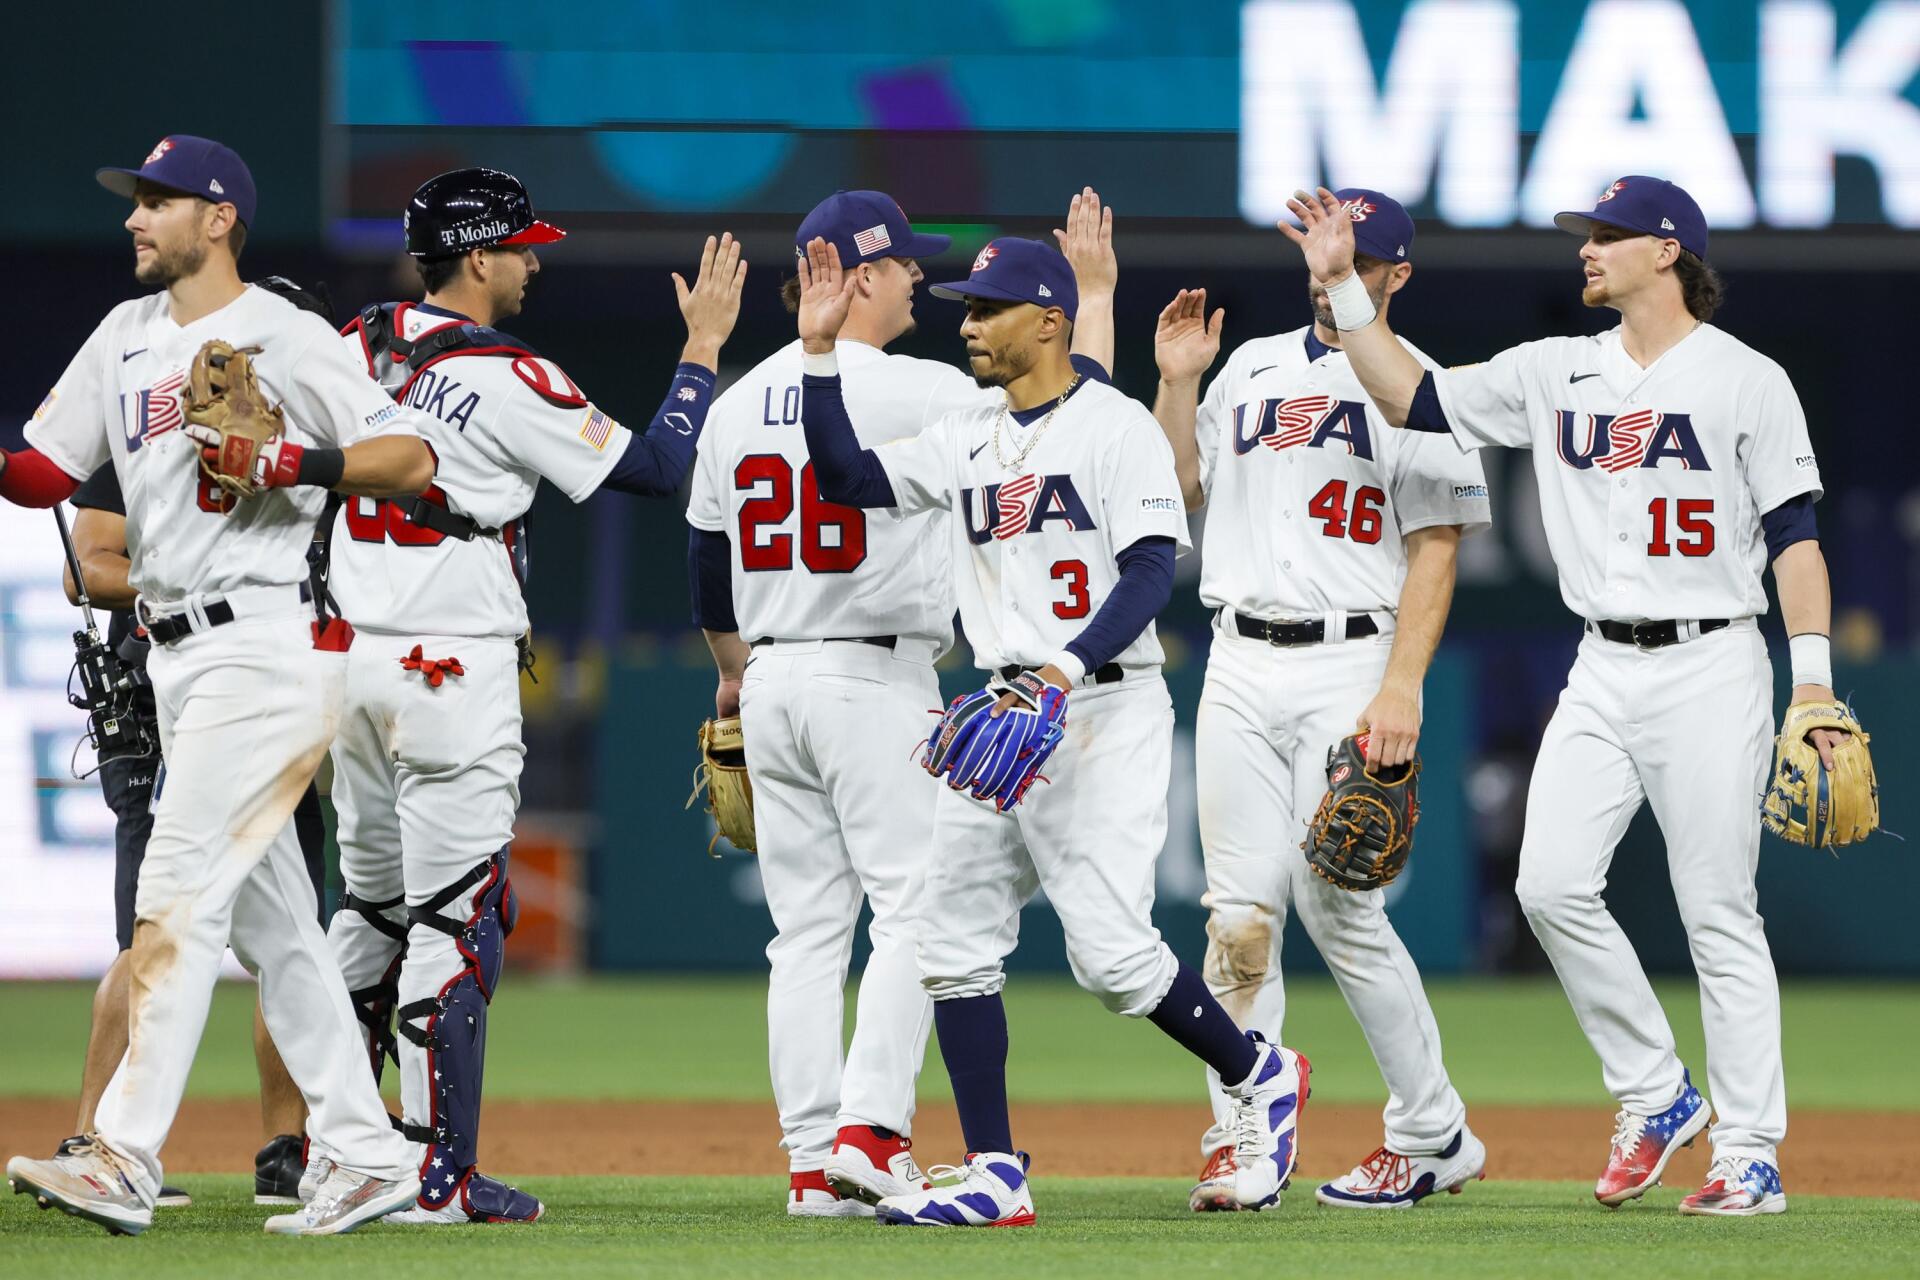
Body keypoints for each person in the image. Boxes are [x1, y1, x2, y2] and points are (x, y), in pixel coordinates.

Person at [1283, 176, 1843, 1217]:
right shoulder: (1556, 369)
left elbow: (1795, 538)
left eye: (1606, 236)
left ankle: (1751, 1148)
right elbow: (1415, 395)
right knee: (1546, 885)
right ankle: (1655, 1090)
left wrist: (1811, 683)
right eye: (1584, 235)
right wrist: (1342, 292)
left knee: (1719, 907)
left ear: (1667, 251)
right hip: (1603, 663)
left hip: (1715, 659)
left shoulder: (1746, 379)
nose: (1586, 250)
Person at [796, 229, 1309, 1228]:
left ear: (1050, 320)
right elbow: (847, 479)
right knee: (949, 941)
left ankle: (1261, 1072)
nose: (970, 325)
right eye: (966, 308)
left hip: (1102, 703)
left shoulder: (1115, 428)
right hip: (1000, 707)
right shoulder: (967, 431)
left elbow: (1154, 569)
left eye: (987, 309)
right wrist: (819, 356)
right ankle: (994, 1167)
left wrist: (1062, 671)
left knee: (1113, 956)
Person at [1, 135, 438, 1236]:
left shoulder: (285, 337)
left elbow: (408, 460)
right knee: (277, 932)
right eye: (133, 202)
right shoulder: (125, 335)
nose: (135, 219)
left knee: (177, 900)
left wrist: (293, 463)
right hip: (174, 655)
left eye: (158, 202)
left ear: (220, 217)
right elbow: (42, 473)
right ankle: (366, 1151)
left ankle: (124, 1153)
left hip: (265, 644)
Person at [315, 167, 745, 1224]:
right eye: (518, 246)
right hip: (450, 665)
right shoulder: (507, 374)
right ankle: (435, 1178)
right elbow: (654, 469)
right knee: (457, 922)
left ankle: (339, 1155)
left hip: (351, 659)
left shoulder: (353, 342)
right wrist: (701, 350)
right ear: (476, 256)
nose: (533, 261)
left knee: (366, 913)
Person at [686, 189, 1116, 1217]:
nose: (925, 279)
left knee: (803, 932)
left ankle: (809, 1162)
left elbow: (708, 569)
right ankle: (870, 1132)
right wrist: (1093, 294)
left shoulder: (737, 399)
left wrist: (736, 670)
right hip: (872, 675)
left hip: (775, 674)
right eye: (908, 265)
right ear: (860, 276)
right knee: (923, 905)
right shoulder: (919, 390)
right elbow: (1076, 401)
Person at [1151, 188, 1492, 1210]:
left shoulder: (1417, 386)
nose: (1326, 256)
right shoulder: (1250, 364)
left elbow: (1437, 546)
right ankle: (1242, 1131)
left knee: (1340, 906)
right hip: (1239, 657)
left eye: (1352, 247)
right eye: (1317, 239)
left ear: (1394, 273)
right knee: (1237, 918)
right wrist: (1177, 385)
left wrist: (1402, 684)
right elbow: (1180, 492)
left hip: (1352, 657)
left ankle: (1431, 1128)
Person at [57, 460, 332, 1209]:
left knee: (295, 932)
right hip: (157, 706)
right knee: (154, 933)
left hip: (268, 703)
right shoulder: (136, 446)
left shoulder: (281, 454)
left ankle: (288, 1150)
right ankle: (94, 1143)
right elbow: (88, 569)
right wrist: (198, 598)